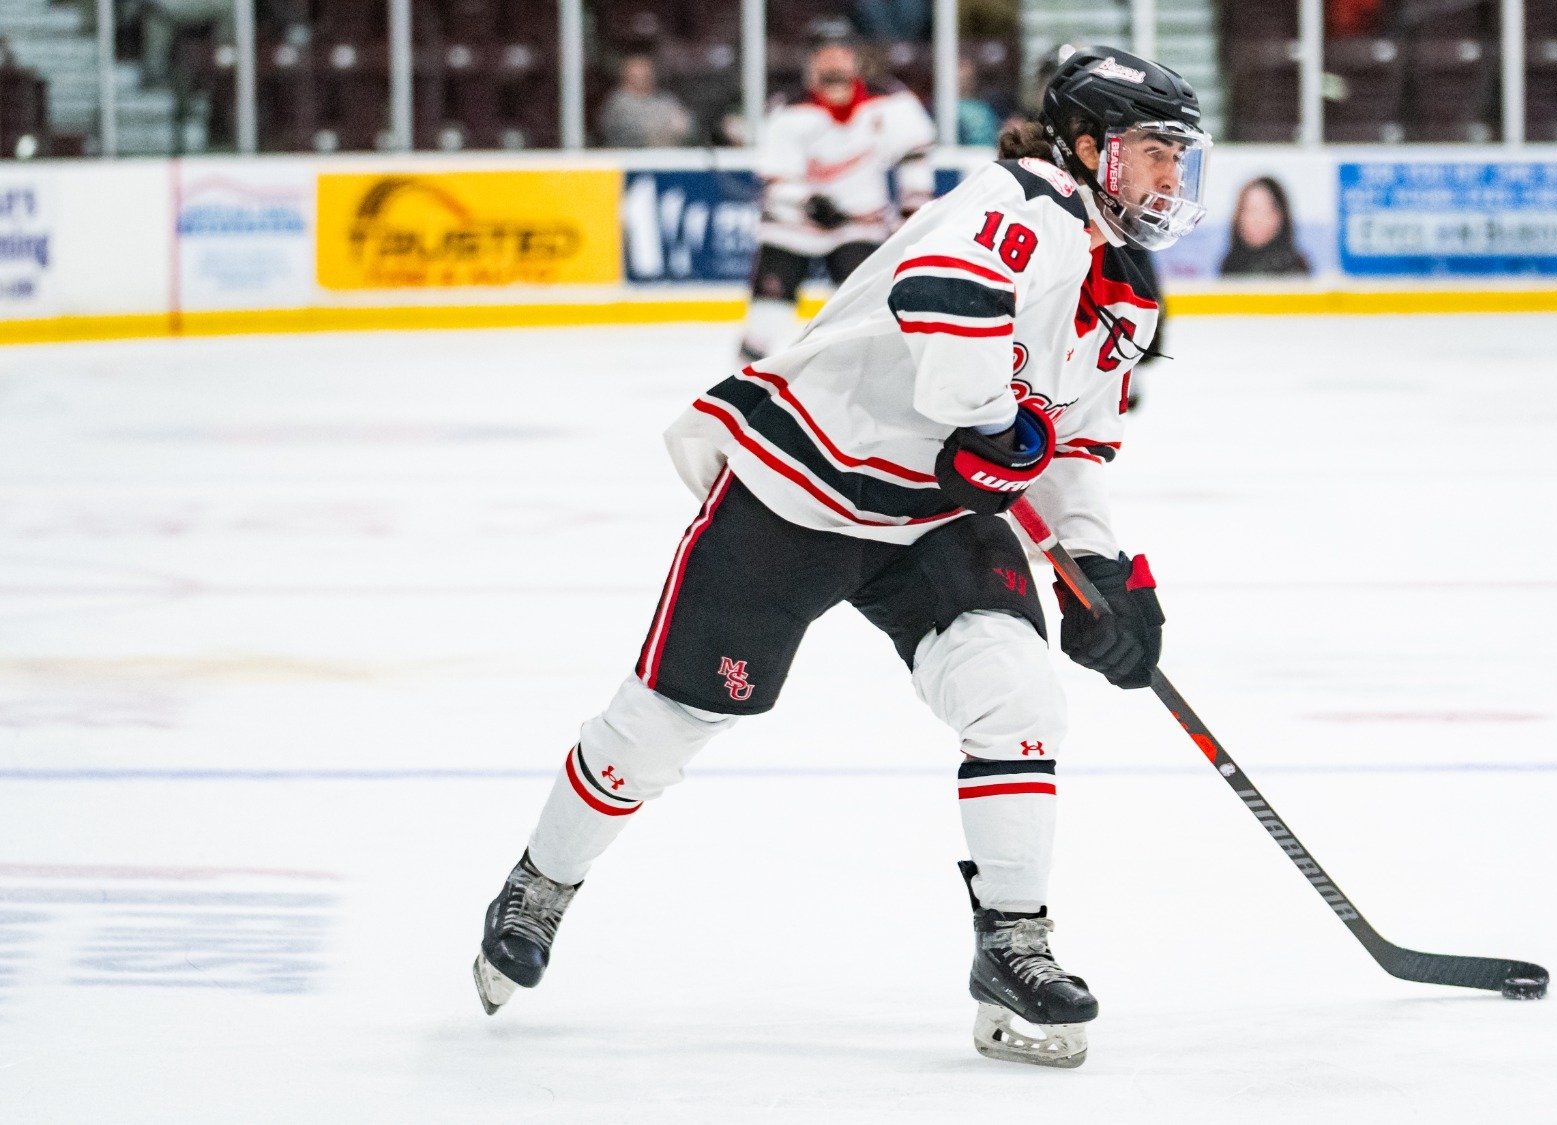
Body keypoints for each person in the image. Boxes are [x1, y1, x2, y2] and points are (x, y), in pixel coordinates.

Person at [472, 44, 1212, 1070]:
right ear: (1089, 147)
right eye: (1155, 155)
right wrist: (989, 423)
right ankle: (538, 884)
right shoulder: (1022, 201)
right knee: (667, 724)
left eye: (1181, 157)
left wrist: (1100, 573)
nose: (1173, 180)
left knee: (1016, 695)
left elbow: (1070, 449)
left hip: (933, 517)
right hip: (802, 489)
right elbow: (944, 297)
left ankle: (1012, 945)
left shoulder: (1125, 289)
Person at [738, 32, 936, 362]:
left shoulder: (890, 102)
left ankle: (861, 392)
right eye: (825, 55)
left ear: (856, 60)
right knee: (764, 319)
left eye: (841, 54)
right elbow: (776, 181)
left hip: (857, 226)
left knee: (863, 319)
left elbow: (915, 159)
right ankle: (744, 390)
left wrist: (911, 216)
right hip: (791, 229)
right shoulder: (789, 110)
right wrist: (806, 203)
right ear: (812, 63)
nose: (833, 62)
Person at [1219, 176, 1311, 276]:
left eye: (1265, 211)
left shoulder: (1295, 269)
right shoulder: (1229, 267)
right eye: (1251, 210)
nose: (1257, 220)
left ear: (1280, 216)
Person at [597, 54, 694, 148]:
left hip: (670, 157)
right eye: (636, 76)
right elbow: (632, 134)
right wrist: (664, 129)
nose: (642, 79)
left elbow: (687, 125)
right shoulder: (618, 102)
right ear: (625, 77)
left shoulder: (666, 99)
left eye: (646, 75)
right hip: (631, 159)